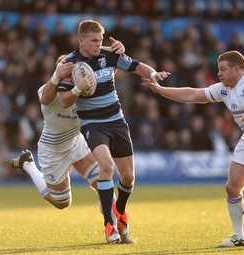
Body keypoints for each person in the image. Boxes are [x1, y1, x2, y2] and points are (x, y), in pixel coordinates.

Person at [141, 50, 244, 247]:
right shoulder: (224, 88)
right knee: (232, 188)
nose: (219, 74)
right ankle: (238, 236)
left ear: (237, 68)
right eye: (218, 70)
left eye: (223, 69)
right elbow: (193, 94)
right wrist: (161, 90)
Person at [58, 19, 170, 244]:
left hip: (117, 121)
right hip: (92, 124)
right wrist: (79, 88)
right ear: (81, 40)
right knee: (106, 167)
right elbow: (63, 100)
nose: (98, 44)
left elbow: (138, 66)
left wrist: (154, 73)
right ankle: (109, 225)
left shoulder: (110, 54)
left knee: (128, 177)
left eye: (100, 40)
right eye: (93, 40)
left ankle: (119, 212)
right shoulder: (69, 64)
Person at [10, 35, 125, 231]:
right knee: (62, 203)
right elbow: (45, 99)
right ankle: (28, 164)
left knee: (103, 181)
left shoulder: (85, 90)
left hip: (76, 142)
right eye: (65, 73)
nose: (69, 76)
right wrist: (57, 78)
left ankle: (113, 226)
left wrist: (117, 51)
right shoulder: (48, 91)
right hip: (53, 150)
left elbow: (106, 69)